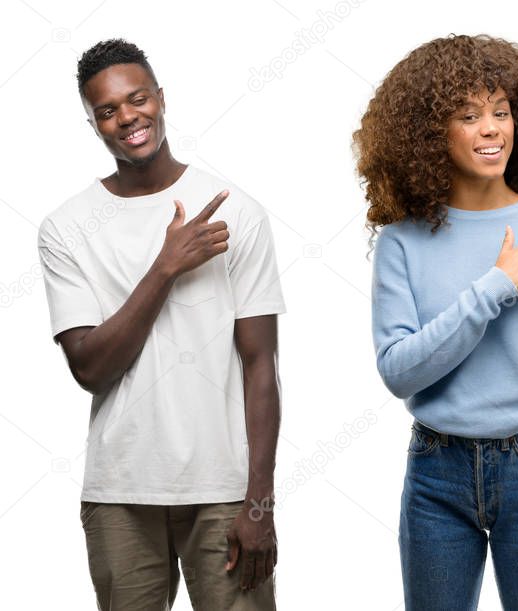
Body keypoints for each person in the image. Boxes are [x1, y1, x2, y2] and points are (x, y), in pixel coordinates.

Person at [355, 34, 518, 610]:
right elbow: (399, 372)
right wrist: (495, 286)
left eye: (501, 111)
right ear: (430, 134)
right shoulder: (401, 241)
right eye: (469, 116)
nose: (492, 128)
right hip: (435, 471)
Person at [38, 39, 284, 610]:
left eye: (137, 99)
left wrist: (259, 503)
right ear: (94, 122)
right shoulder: (66, 228)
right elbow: (91, 368)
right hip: (119, 492)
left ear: (160, 100)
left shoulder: (235, 210)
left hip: (224, 492)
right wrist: (167, 267)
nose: (126, 117)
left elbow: (261, 366)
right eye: (106, 110)